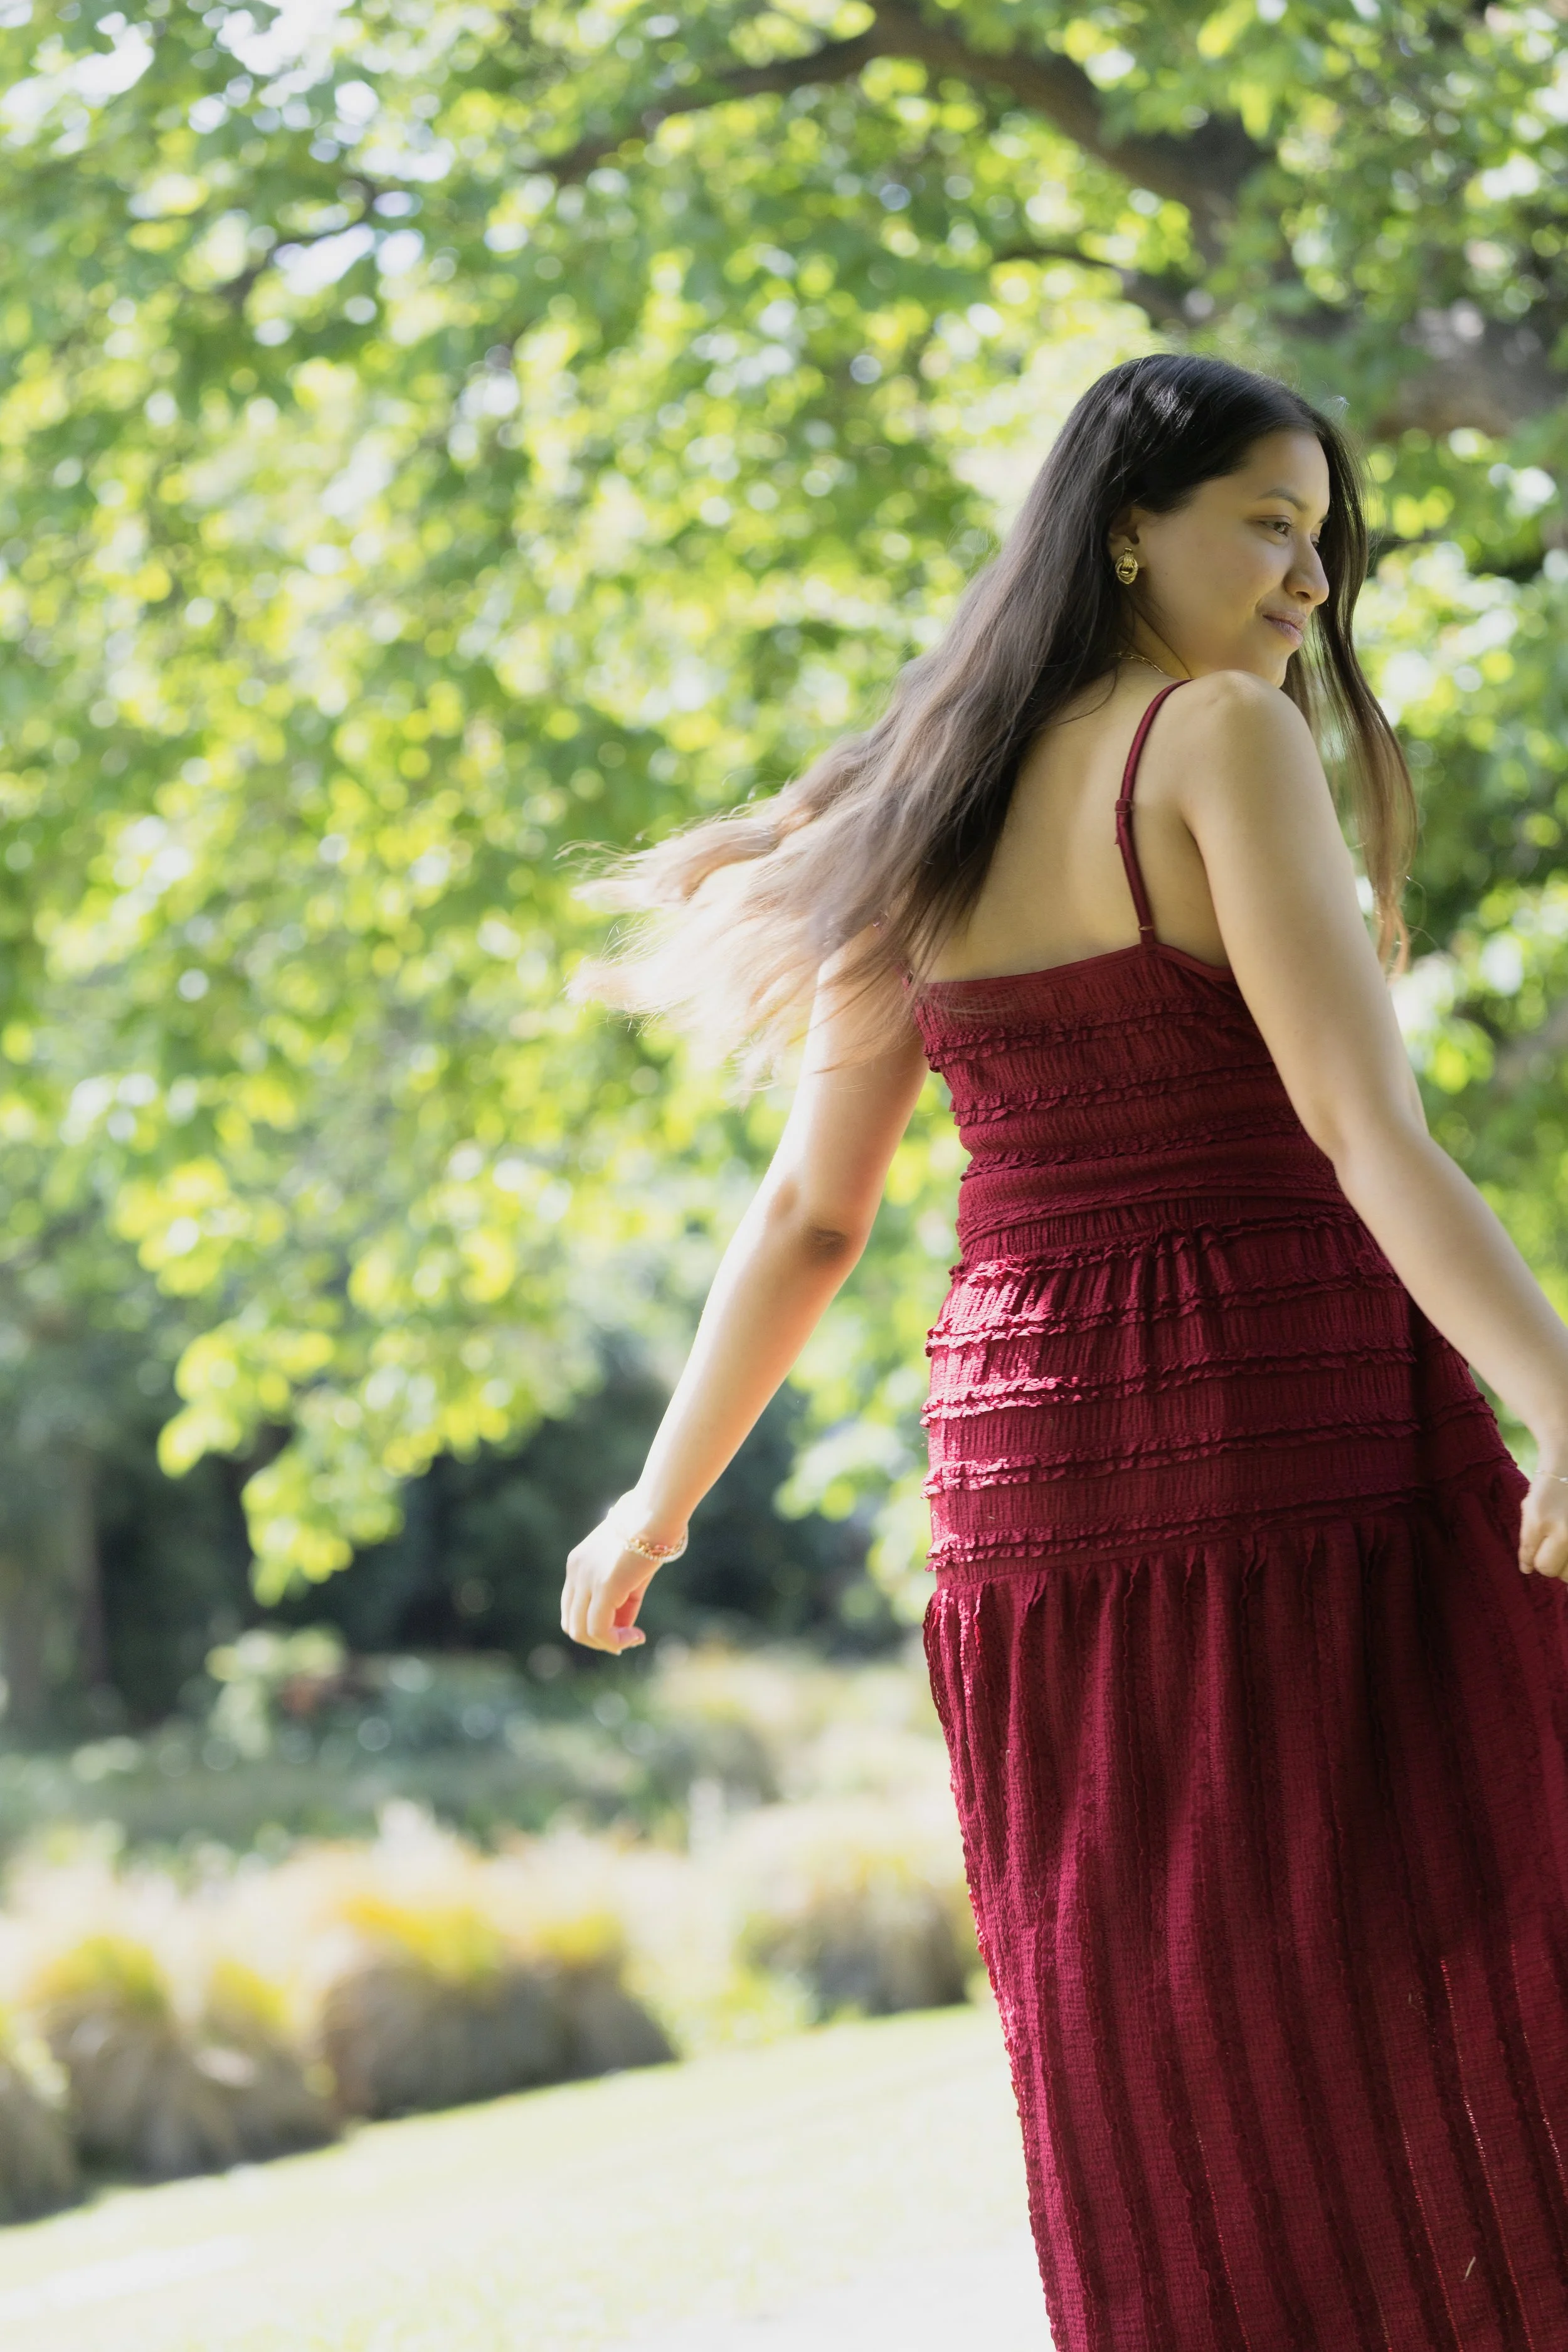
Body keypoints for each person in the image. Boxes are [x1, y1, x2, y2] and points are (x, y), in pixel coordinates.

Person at [559, 353, 1568, 2349]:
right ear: (1127, 525)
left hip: (1031, 1478)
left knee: (1169, 2032)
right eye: (1267, 525)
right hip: (1283, 1413)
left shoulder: (908, 793)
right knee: (1474, 1897)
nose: (1308, 583)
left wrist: (655, 1495)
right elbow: (1369, 1131)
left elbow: (813, 1217)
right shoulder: (1214, 740)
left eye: (1322, 539)